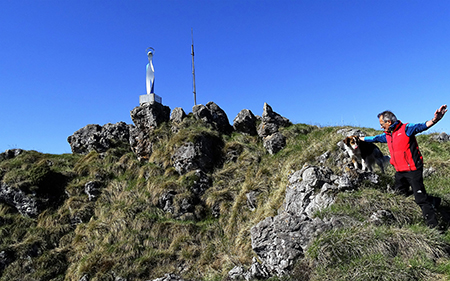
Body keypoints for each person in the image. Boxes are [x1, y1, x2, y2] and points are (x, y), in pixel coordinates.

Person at [361, 104, 448, 228]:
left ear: (389, 122)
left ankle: (434, 227)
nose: (380, 127)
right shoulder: (387, 135)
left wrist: (436, 119)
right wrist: (359, 138)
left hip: (413, 170)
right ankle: (434, 201)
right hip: (399, 172)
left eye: (382, 124)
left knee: (420, 200)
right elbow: (374, 138)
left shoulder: (406, 129)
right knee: (399, 195)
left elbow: (423, 126)